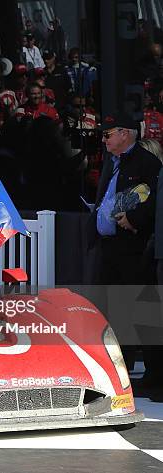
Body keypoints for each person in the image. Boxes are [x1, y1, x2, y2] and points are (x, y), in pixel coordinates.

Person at [87, 112, 161, 369]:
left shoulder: (147, 162)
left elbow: (155, 200)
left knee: (138, 309)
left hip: (133, 246)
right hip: (109, 246)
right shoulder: (112, 161)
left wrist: (135, 219)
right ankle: (120, 368)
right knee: (112, 310)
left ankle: (152, 372)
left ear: (125, 134)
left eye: (108, 135)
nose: (104, 140)